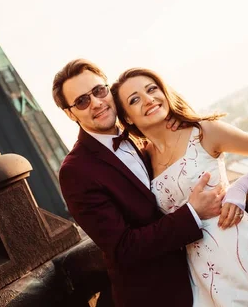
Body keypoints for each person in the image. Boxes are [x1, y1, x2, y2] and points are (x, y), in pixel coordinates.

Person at [111, 67, 248, 307]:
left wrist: (239, 189)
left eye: (151, 89)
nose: (148, 99)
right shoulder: (143, 161)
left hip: (246, 251)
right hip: (201, 273)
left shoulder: (203, 131)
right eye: (135, 99)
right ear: (128, 117)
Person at [52, 59, 225, 307]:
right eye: (82, 101)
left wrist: (170, 127)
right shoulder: (75, 171)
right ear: (70, 113)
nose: (96, 103)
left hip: (201, 271)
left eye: (99, 91)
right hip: (155, 296)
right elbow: (123, 247)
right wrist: (192, 213)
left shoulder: (137, 135)